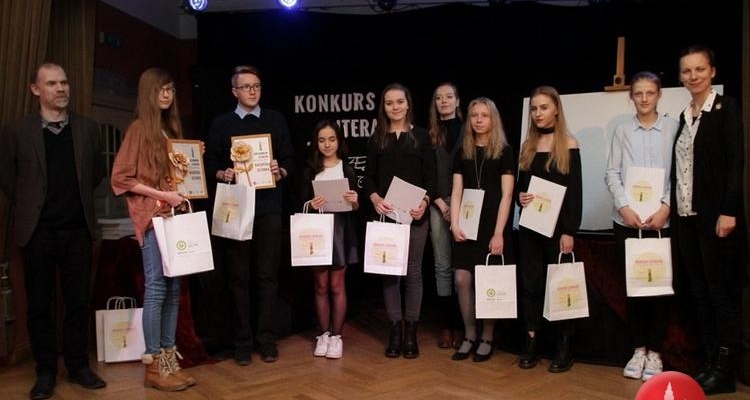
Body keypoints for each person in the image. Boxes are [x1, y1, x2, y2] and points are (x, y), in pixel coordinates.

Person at [0, 62, 107, 400]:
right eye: (52, 83)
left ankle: (77, 366)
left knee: (77, 302)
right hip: (38, 232)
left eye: (64, 82)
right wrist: (33, 204)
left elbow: (96, 175)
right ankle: (45, 371)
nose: (61, 88)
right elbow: (9, 179)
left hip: (78, 231)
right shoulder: (17, 131)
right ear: (36, 90)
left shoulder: (89, 129)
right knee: (39, 306)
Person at [111, 67, 197, 391]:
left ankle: (169, 361)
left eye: (171, 89)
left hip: (172, 217)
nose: (167, 94)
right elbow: (121, 179)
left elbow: (175, 176)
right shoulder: (138, 129)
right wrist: (162, 194)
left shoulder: (169, 129)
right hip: (151, 218)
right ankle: (153, 366)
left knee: (173, 290)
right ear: (148, 92)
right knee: (157, 288)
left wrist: (191, 161)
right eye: (161, 89)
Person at [204, 65, 295, 365]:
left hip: (269, 209)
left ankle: (266, 339)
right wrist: (223, 173)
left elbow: (290, 159)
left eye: (257, 86)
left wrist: (280, 170)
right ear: (234, 91)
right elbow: (210, 164)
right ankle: (242, 342)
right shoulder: (221, 124)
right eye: (246, 87)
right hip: (236, 208)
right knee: (238, 278)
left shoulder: (275, 119)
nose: (253, 91)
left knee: (267, 276)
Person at [671, 45, 746, 395]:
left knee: (721, 294)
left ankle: (725, 370)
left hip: (717, 219)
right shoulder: (684, 115)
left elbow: (735, 163)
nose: (693, 76)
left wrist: (729, 210)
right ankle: (711, 362)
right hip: (687, 219)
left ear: (712, 71)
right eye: (687, 71)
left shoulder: (725, 108)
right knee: (699, 294)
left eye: (699, 69)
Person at [604, 71, 678, 381]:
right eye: (638, 93)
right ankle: (638, 350)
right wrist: (625, 207)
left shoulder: (673, 127)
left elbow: (680, 172)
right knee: (634, 288)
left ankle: (656, 353)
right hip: (627, 221)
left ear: (659, 95)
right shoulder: (622, 130)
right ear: (631, 96)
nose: (644, 98)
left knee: (659, 289)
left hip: (663, 221)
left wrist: (666, 207)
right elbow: (612, 172)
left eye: (650, 93)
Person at [364, 82, 435, 359]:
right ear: (383, 107)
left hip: (415, 217)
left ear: (408, 105)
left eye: (399, 102)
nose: (395, 107)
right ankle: (395, 331)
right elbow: (368, 178)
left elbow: (431, 178)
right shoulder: (377, 138)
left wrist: (424, 202)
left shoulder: (422, 137)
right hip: (385, 216)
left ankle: (411, 333)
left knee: (413, 274)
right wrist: (374, 198)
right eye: (389, 103)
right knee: (390, 274)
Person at [516, 85, 582, 373]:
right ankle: (531, 341)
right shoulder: (527, 146)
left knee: (560, 285)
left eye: (543, 107)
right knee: (530, 284)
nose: (538, 113)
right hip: (530, 226)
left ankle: (563, 346)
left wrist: (569, 230)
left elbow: (575, 192)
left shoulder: (569, 143)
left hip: (558, 230)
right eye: (534, 108)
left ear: (556, 109)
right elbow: (521, 187)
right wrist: (520, 197)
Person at [449, 97, 515, 363]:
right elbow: (456, 191)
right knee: (462, 279)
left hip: (493, 225)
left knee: (490, 281)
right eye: (474, 115)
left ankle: (487, 336)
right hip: (467, 223)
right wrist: (454, 223)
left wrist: (499, 233)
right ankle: (469, 334)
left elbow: (507, 195)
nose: (478, 120)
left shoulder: (504, 151)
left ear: (493, 119)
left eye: (484, 115)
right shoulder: (462, 151)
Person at [298, 120, 360, 359]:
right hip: (316, 232)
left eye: (331, 139)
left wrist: (354, 201)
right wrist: (311, 204)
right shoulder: (309, 170)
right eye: (322, 140)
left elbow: (356, 207)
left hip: (340, 232)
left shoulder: (347, 169)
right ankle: (323, 334)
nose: (327, 144)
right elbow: (300, 204)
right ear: (316, 143)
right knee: (321, 285)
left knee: (336, 285)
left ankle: (337, 337)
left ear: (339, 141)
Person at [427, 82, 464, 349]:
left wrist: (459, 207)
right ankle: (446, 325)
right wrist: (441, 203)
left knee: (462, 266)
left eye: (449, 96)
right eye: (439, 98)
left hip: (466, 206)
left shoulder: (469, 129)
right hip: (438, 204)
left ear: (457, 101)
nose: (444, 101)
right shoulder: (428, 134)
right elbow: (425, 173)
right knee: (442, 264)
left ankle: (465, 325)